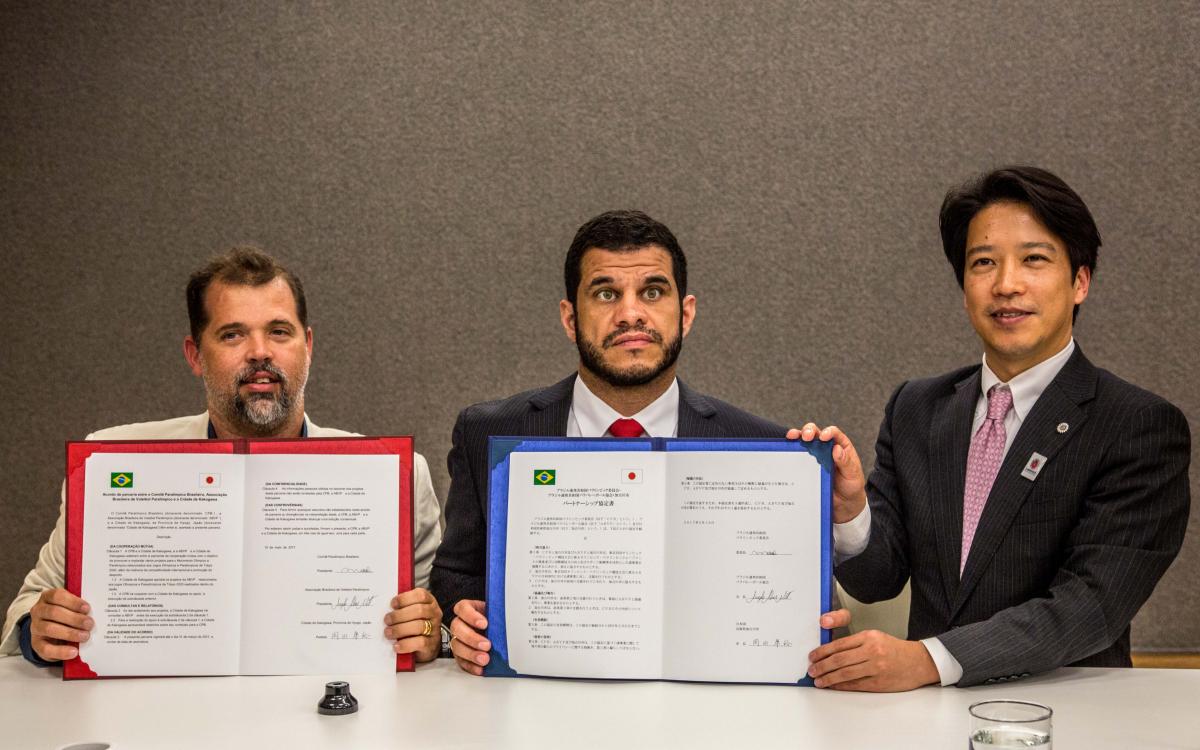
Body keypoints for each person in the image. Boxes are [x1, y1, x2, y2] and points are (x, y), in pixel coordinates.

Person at [804, 166, 1190, 690]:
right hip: (926, 716)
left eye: (1034, 259)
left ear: (1079, 281)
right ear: (964, 287)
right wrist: (850, 511)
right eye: (983, 263)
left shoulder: (1138, 425)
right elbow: (879, 579)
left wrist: (928, 660)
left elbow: (1091, 605)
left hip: (1071, 714)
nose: (1006, 285)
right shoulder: (916, 407)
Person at [432, 209, 849, 675]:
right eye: (606, 293)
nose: (630, 313)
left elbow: (805, 606)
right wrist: (460, 618)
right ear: (570, 319)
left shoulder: (767, 450)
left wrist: (818, 629)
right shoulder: (485, 431)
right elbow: (454, 575)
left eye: (652, 292)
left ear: (685, 314)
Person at [1, 246, 445, 665]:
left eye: (279, 331)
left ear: (307, 346)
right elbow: (25, 612)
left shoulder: (396, 478)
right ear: (196, 354)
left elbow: (435, 628)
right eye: (232, 334)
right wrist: (37, 630)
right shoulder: (110, 467)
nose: (259, 352)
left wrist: (428, 632)